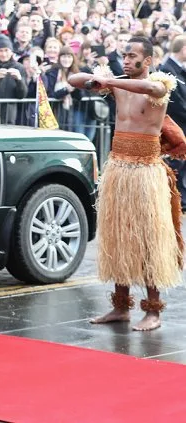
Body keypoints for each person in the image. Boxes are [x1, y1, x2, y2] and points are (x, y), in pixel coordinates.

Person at [68, 36, 183, 331]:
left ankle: (153, 310)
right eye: (124, 55)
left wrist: (111, 81)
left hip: (146, 173)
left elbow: (149, 88)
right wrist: (97, 78)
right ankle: (121, 308)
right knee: (119, 238)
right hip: (119, 169)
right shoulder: (119, 84)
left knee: (147, 241)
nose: (127, 60)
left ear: (147, 61)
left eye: (132, 56)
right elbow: (73, 78)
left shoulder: (161, 84)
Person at [160, 35, 186, 211]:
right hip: (174, 126)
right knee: (174, 164)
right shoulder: (167, 71)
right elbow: (176, 104)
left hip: (181, 125)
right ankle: (172, 197)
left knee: (181, 165)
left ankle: (180, 197)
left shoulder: (179, 70)